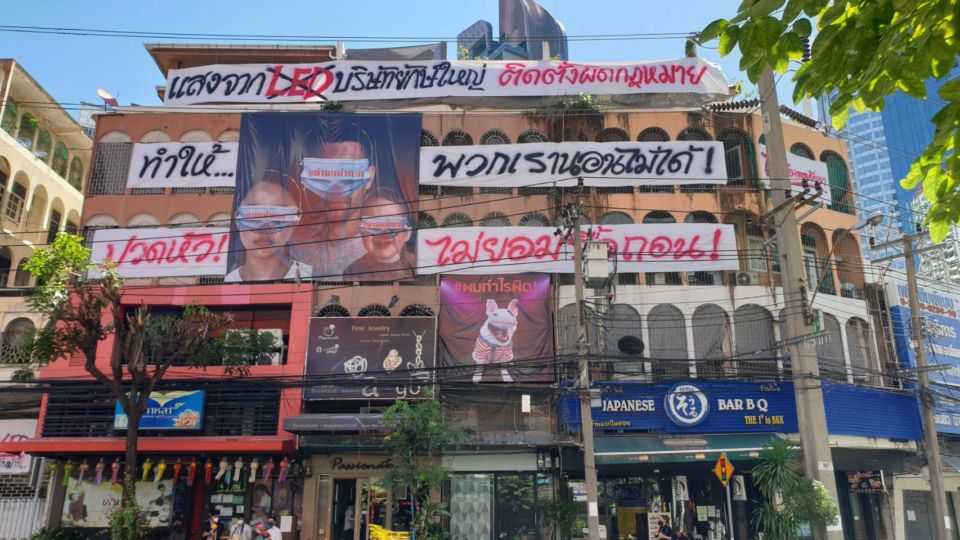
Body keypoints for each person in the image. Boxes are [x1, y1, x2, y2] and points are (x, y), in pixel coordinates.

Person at [291, 124, 380, 278]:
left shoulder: (384, 251)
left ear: (369, 177)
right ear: (303, 177)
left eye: (347, 174)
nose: (335, 190)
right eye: (322, 175)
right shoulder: (288, 250)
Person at [226, 173, 311, 282]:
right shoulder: (228, 282)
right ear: (237, 217)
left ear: (296, 220)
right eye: (254, 216)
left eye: (278, 218)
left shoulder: (311, 276)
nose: (264, 229)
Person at [343, 189, 416, 281]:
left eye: (393, 225)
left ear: (407, 234)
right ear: (361, 231)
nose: (383, 234)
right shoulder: (352, 272)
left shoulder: (418, 265)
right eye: (373, 225)